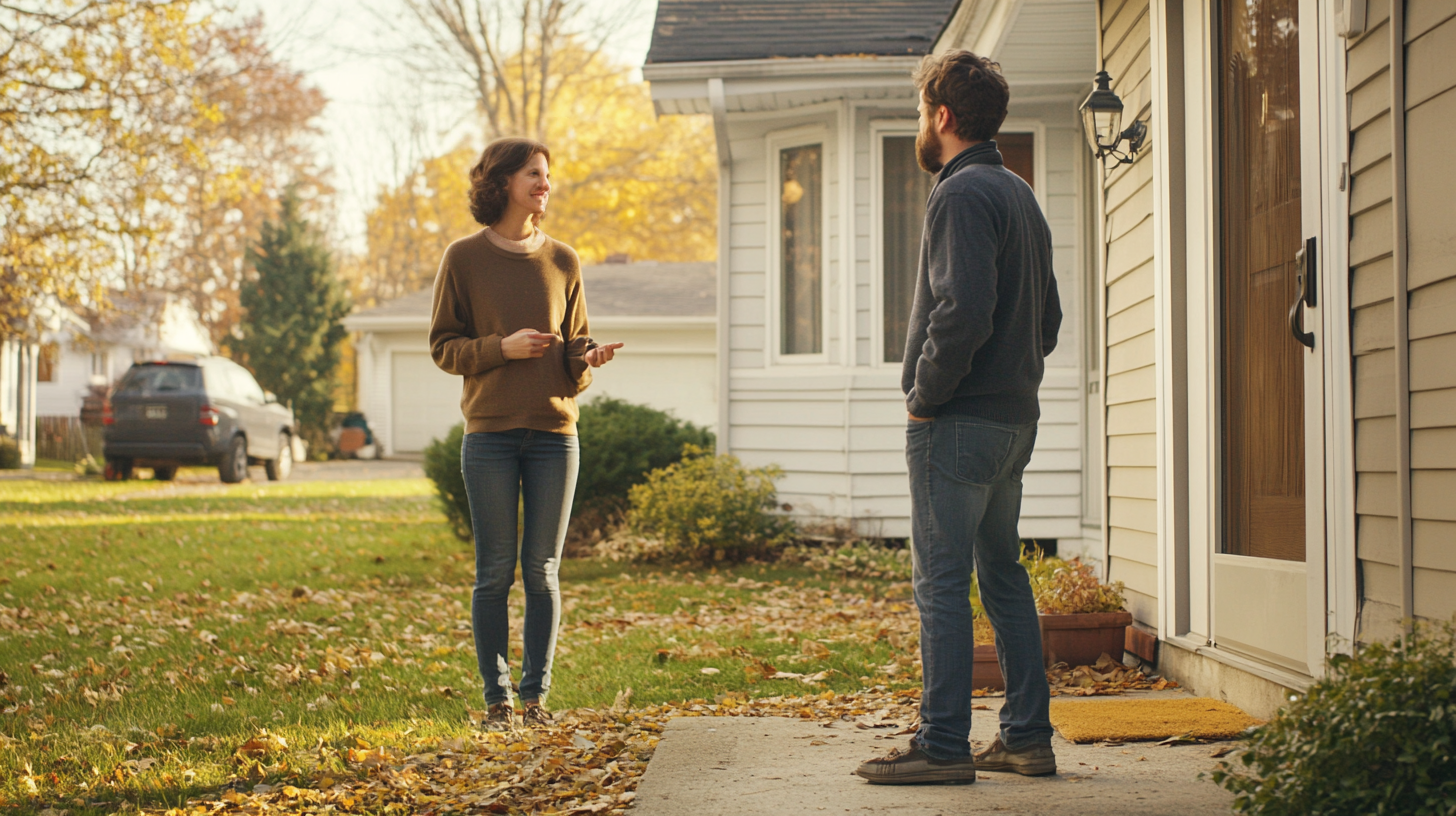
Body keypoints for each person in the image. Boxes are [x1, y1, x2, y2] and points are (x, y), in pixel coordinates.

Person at [855, 50, 1062, 785]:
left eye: (921, 111)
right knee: (1002, 574)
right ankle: (1026, 738)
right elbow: (1050, 321)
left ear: (942, 117)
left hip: (959, 423)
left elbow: (962, 311)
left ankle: (942, 744)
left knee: (941, 582)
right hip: (1013, 423)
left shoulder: (961, 193)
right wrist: (1009, 381)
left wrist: (925, 396)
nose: (921, 122)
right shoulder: (1020, 193)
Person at [429, 138, 623, 730]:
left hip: (553, 433)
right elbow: (444, 347)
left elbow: (572, 347)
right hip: (489, 434)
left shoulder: (564, 259)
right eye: (533, 174)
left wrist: (586, 358)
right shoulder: (462, 259)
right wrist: (500, 349)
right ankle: (497, 700)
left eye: (547, 175)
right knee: (494, 572)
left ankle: (535, 697)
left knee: (542, 571)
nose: (545, 184)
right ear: (502, 182)